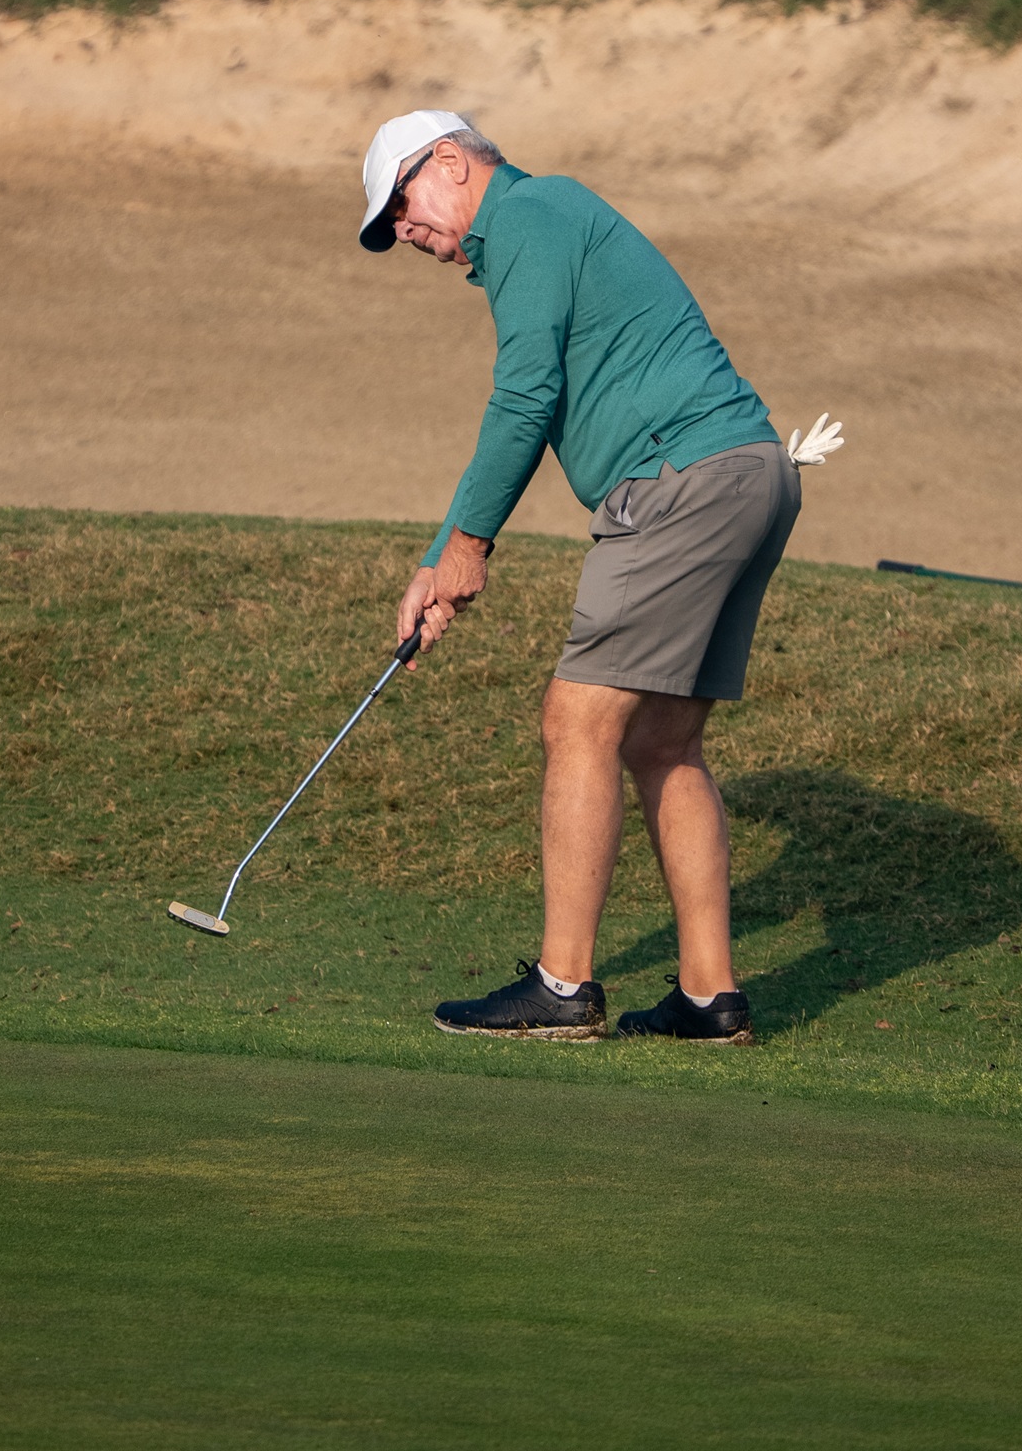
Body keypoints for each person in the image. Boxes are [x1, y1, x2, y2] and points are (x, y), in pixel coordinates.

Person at [360, 108, 842, 1044]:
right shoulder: (542, 226)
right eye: (391, 227)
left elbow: (524, 396)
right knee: (662, 740)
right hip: (747, 474)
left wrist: (468, 546)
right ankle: (709, 997)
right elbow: (535, 404)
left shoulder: (528, 215)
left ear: (450, 162)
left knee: (576, 720)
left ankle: (563, 986)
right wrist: (441, 557)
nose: (405, 232)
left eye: (403, 206)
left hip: (679, 481)